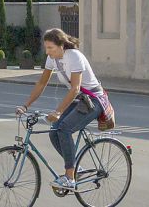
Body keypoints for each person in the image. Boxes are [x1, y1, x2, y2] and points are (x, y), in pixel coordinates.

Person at [15, 28, 107, 192]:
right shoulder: (53, 59)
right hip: (80, 99)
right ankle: (75, 168)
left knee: (63, 128)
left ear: (61, 45)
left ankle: (70, 178)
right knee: (54, 131)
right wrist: (25, 105)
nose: (47, 51)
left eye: (50, 48)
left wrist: (58, 112)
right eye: (46, 47)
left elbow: (75, 88)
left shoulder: (74, 57)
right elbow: (42, 83)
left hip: (93, 99)